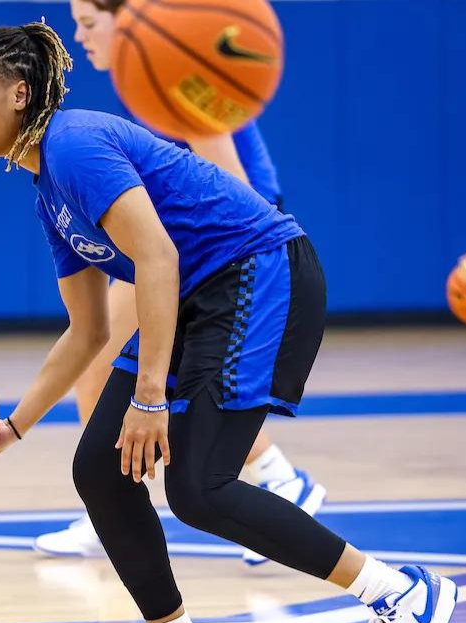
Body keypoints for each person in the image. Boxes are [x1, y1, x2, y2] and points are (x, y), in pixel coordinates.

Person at [0, 22, 457, 623]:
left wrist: (150, 395)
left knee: (200, 487)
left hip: (260, 272)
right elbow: (86, 332)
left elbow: (157, 258)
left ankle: (401, 593)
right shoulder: (49, 192)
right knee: (100, 473)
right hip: (200, 294)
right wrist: (12, 429)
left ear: (20, 95)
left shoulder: (74, 144)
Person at [34, 0, 324, 566]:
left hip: (226, 244)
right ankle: (131, 502)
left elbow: (237, 187)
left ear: (133, 19)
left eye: (88, 24)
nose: (77, 36)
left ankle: (267, 479)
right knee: (110, 379)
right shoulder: (142, 71)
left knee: (106, 370)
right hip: (185, 245)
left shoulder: (168, 61)